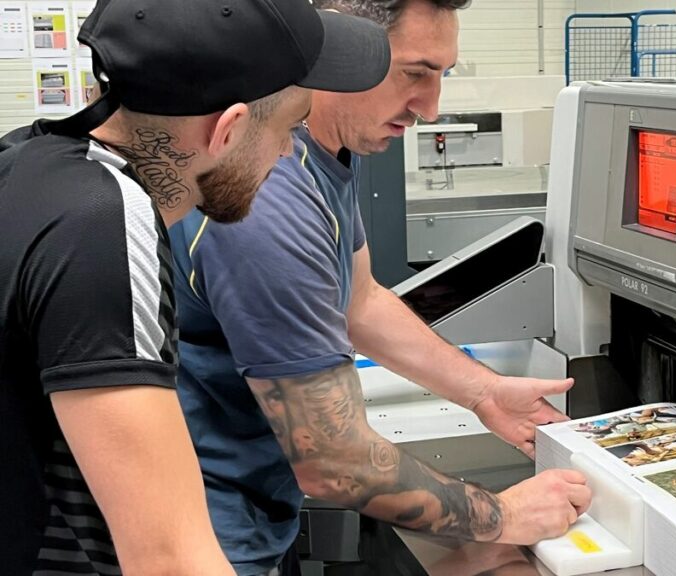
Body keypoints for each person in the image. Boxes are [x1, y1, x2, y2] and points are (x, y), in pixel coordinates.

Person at [168, 0, 591, 574]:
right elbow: (333, 461)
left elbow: (359, 298)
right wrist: (503, 516)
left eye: (442, 75)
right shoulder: (269, 197)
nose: (432, 108)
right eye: (414, 73)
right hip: (197, 536)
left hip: (251, 507)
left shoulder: (330, 146)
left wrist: (483, 391)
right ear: (341, 51)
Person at [0, 0, 391, 573]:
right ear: (228, 129)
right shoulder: (105, 224)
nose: (288, 153)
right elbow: (169, 561)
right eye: (288, 130)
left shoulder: (28, 160)